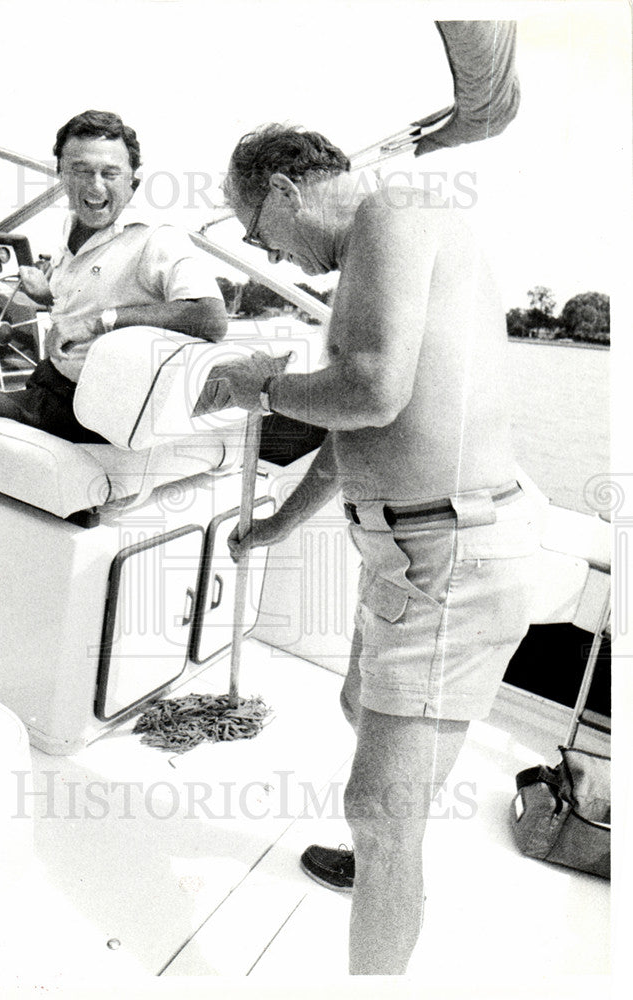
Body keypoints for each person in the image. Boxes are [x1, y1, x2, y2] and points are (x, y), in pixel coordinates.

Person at [220, 124, 538, 975]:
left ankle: (387, 876)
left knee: (379, 807)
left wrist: (259, 384)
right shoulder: (385, 238)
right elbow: (357, 428)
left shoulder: (391, 212)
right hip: (414, 552)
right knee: (360, 703)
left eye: (257, 231)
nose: (271, 255)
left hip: (449, 555)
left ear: (285, 190)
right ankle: (390, 863)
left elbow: (367, 390)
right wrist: (280, 524)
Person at [0, 110, 227, 541]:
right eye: (80, 171)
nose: (95, 187)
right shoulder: (70, 232)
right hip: (51, 386)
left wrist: (105, 322)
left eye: (109, 173)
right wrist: (46, 296)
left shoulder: (157, 238)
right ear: (61, 174)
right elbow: (81, 302)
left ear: (134, 180)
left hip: (86, 407)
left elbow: (210, 316)